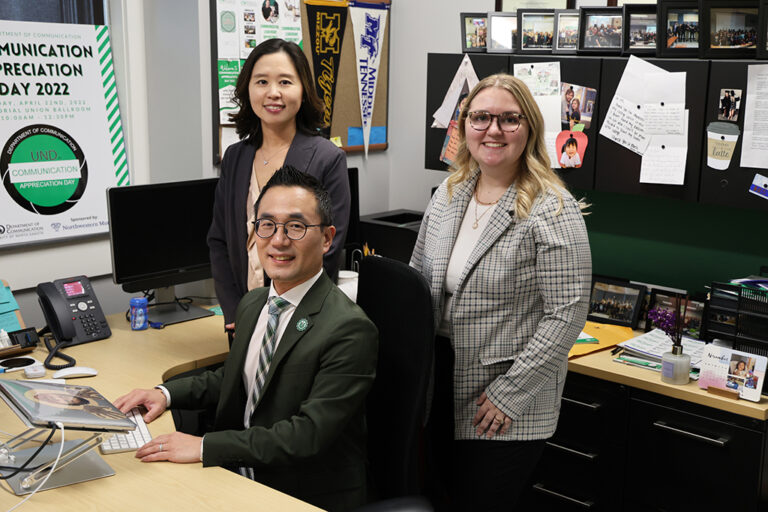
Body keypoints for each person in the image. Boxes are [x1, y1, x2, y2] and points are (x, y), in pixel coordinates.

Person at [115, 167, 378, 512]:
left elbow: (306, 436)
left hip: (299, 492)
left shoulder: (348, 329)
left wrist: (204, 447)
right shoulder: (255, 303)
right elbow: (237, 377)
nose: (279, 240)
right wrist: (164, 394)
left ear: (327, 238)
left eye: (296, 226)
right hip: (241, 471)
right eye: (266, 225)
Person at [410, 73, 591, 511]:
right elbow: (417, 276)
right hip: (441, 382)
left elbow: (567, 312)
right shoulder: (450, 194)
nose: (493, 130)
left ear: (528, 128)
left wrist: (511, 393)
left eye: (509, 119)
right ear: (463, 126)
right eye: (481, 117)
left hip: (504, 397)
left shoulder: (551, 207)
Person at [208, 38, 351, 332]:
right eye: (262, 81)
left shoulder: (327, 158)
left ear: (303, 89)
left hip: (300, 321)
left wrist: (290, 316)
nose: (273, 93)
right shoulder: (235, 157)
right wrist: (235, 311)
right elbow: (219, 240)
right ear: (248, 89)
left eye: (285, 82)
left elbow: (330, 247)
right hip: (243, 319)